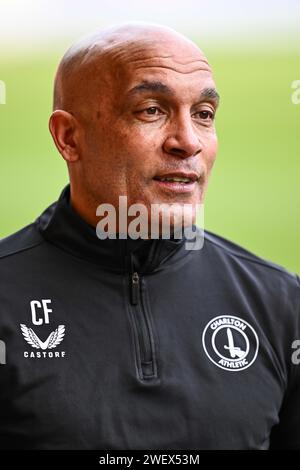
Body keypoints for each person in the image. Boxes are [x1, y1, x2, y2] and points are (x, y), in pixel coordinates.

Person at [0, 22, 299, 450]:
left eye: (203, 114)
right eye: (151, 111)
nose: (188, 142)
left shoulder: (281, 304)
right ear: (69, 137)